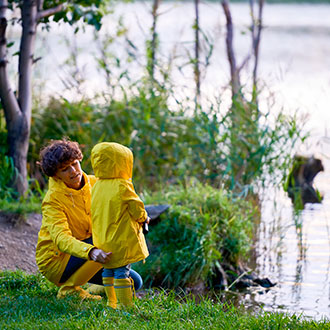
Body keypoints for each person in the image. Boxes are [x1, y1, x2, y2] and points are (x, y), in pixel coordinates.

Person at [35, 139, 143, 300]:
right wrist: (91, 252)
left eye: (75, 164)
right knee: (107, 241)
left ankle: (90, 290)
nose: (73, 171)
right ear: (56, 175)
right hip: (58, 261)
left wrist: (140, 217)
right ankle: (68, 290)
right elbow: (61, 239)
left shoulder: (97, 183)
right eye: (65, 169)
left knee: (135, 282)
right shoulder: (52, 200)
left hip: (93, 248)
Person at [91, 142, 149, 309]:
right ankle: (126, 306)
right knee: (122, 271)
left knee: (107, 270)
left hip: (103, 239)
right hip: (120, 239)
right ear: (122, 162)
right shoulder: (122, 185)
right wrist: (144, 218)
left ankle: (112, 302)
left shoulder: (97, 185)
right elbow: (136, 207)